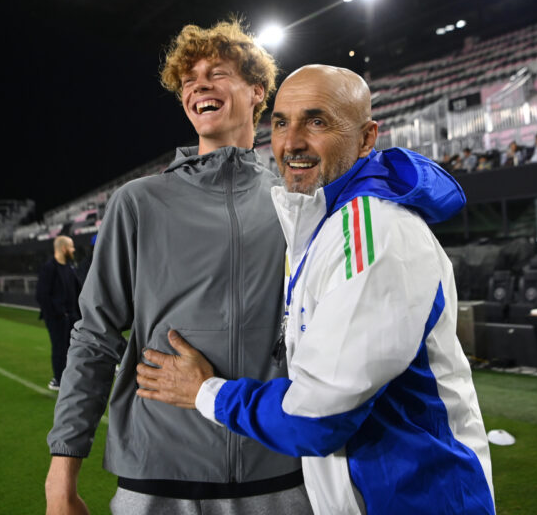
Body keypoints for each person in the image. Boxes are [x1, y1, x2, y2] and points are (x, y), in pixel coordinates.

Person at [136, 65, 495, 514]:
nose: (292, 142)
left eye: (317, 121)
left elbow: (317, 416)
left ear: (366, 138)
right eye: (282, 122)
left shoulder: (373, 232)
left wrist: (205, 391)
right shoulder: (325, 223)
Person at [44, 21, 310, 515]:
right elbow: (95, 336)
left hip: (278, 473)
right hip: (155, 477)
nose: (197, 86)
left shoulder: (298, 202)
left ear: (257, 91)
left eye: (216, 73)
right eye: (188, 81)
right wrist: (62, 473)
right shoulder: (138, 202)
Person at [36, 235, 81, 391]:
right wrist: (58, 314)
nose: (73, 249)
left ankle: (69, 377)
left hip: (72, 317)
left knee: (72, 348)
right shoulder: (49, 268)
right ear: (63, 248)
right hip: (57, 319)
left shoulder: (70, 268)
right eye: (71, 246)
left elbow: (77, 291)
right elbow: (42, 295)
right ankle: (58, 379)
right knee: (59, 348)